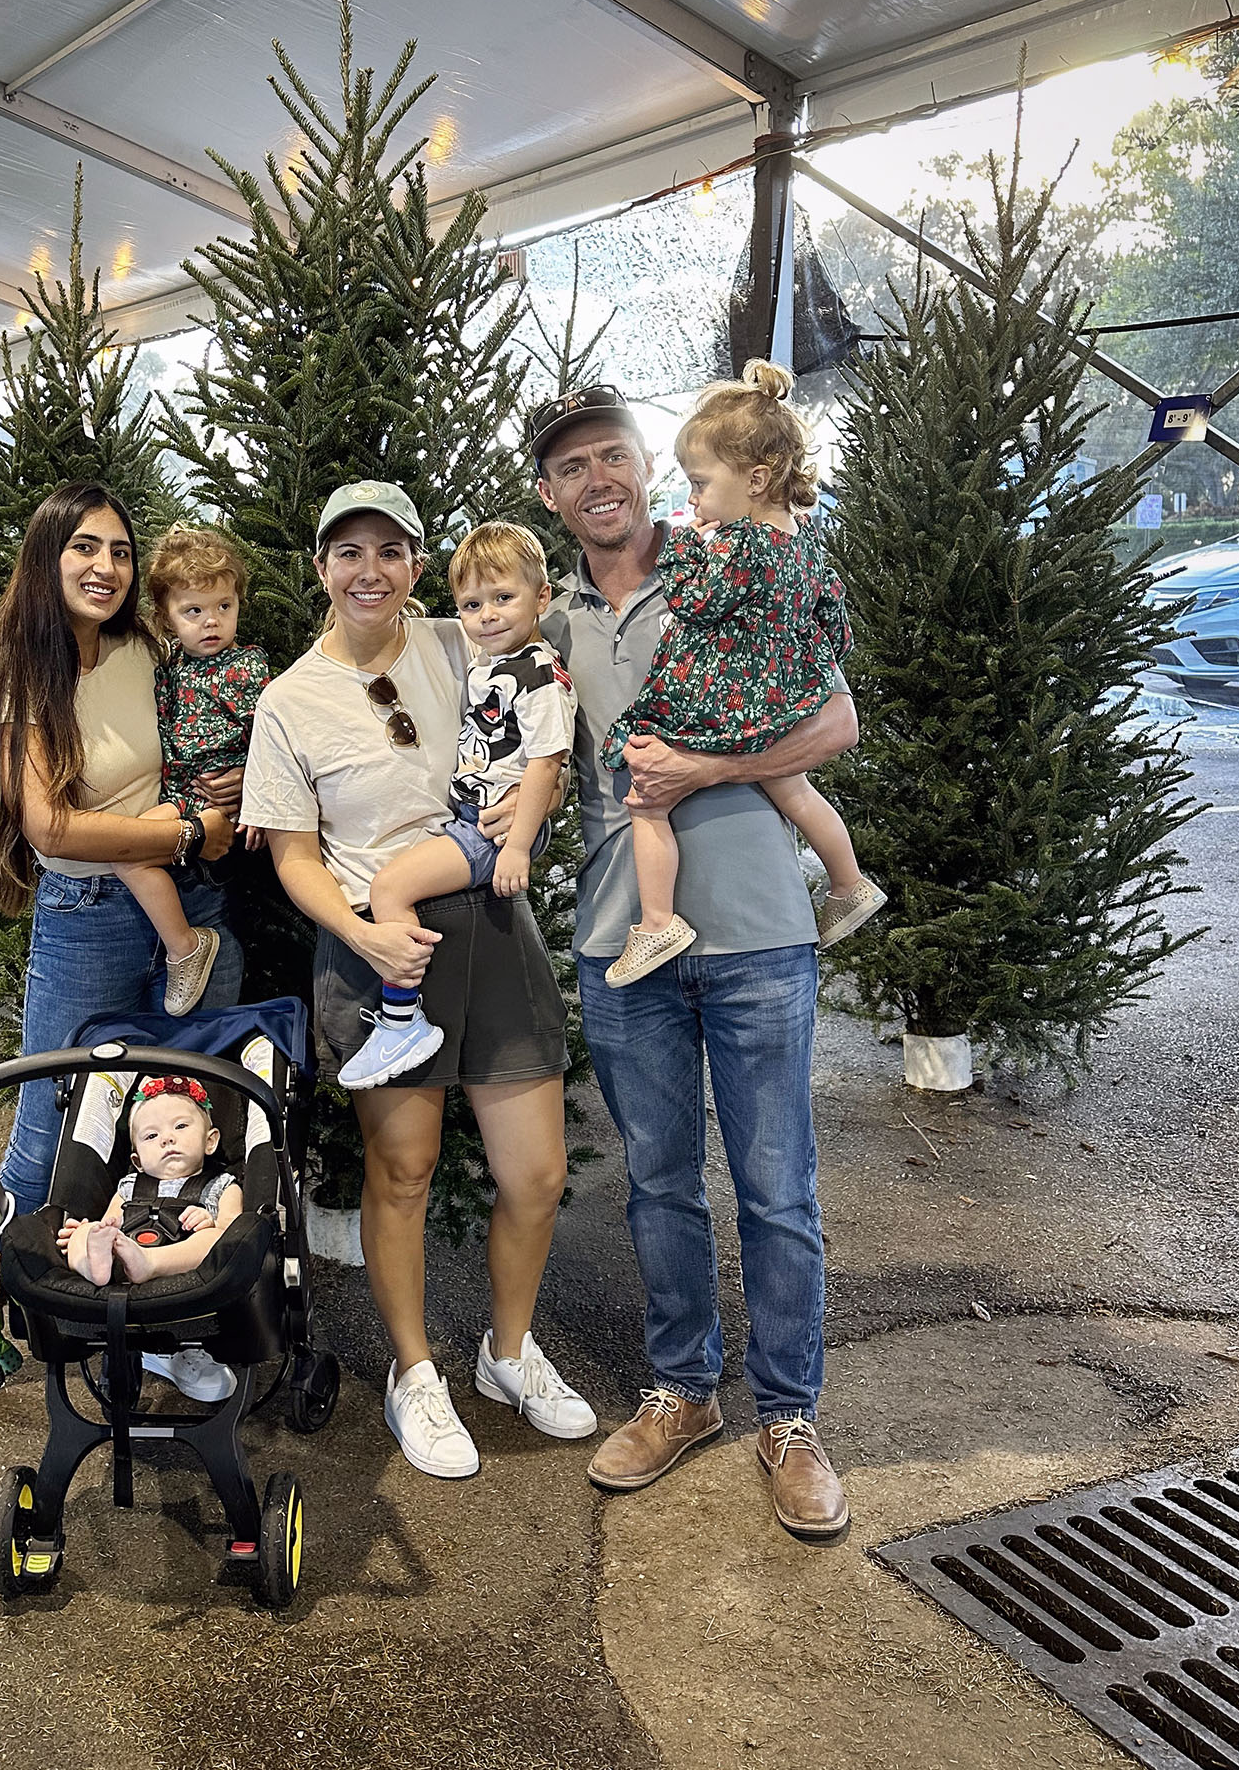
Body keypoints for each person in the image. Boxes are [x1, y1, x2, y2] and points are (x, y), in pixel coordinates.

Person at [531, 385, 856, 1539]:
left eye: (612, 455)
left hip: (759, 932)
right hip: (623, 946)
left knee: (777, 1188)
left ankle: (791, 1415)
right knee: (661, 1182)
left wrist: (708, 772)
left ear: (644, 467)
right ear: (550, 494)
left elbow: (835, 725)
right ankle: (682, 1393)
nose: (598, 479)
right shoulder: (544, 616)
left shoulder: (727, 563)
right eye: (572, 468)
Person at [241, 479, 595, 1480]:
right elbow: (294, 857)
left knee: (536, 1175)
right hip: (378, 956)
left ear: (413, 564)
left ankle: (509, 1354)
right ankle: (415, 1373)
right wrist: (363, 933)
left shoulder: (458, 642)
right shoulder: (290, 701)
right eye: (348, 552)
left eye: (389, 552)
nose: (370, 570)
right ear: (321, 568)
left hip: (494, 930)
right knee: (402, 1173)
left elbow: (546, 686)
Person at [0, 482, 244, 1443]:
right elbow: (49, 823)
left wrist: (219, 795)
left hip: (194, 906)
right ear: (47, 555)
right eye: (84, 548)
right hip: (89, 914)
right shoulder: (9, 674)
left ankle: (163, 1314)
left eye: (120, 550)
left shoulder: (147, 650)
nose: (105, 566)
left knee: (186, 1108)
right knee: (47, 1118)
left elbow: (202, 734)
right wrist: (184, 828)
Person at [601, 362, 886, 987]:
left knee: (645, 797)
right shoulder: (806, 543)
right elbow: (835, 629)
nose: (694, 498)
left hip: (714, 701)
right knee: (794, 787)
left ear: (756, 479)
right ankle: (848, 881)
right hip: (774, 702)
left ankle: (656, 924)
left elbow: (693, 600)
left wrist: (682, 546)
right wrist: (795, 671)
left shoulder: (737, 544)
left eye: (699, 483)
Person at [340, 519, 575, 1089]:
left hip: (496, 830)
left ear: (541, 597)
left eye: (503, 598)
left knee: (389, 889)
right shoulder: (491, 658)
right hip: (479, 815)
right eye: (471, 604)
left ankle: (401, 1020)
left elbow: (548, 761)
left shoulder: (538, 673)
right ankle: (403, 1017)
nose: (487, 615)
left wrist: (519, 844)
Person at [111, 525, 270, 1016]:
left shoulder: (245, 667)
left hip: (214, 802)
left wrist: (255, 792)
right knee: (127, 851)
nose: (211, 622)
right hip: (180, 798)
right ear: (166, 617)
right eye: (193, 611)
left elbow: (277, 740)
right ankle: (186, 945)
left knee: (128, 852)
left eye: (224, 607)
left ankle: (185, 949)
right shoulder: (166, 667)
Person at [58, 1075, 243, 1285]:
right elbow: (112, 1222)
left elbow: (236, 1233)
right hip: (125, 1254)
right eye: (151, 1136)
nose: (167, 1138)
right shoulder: (129, 1187)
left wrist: (210, 1223)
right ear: (138, 1161)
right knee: (83, 1231)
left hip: (184, 1262)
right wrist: (92, 1232)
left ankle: (150, 1263)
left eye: (180, 1126)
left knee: (215, 1239)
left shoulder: (222, 1185)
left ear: (210, 1141)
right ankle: (94, 1267)